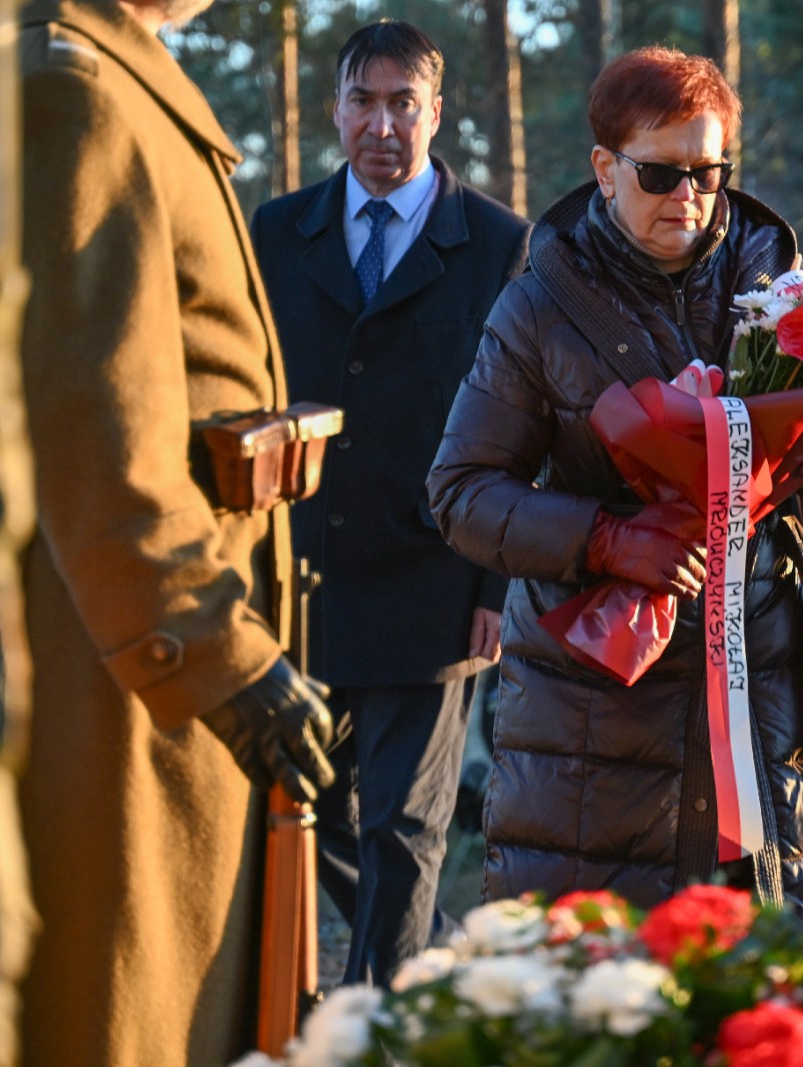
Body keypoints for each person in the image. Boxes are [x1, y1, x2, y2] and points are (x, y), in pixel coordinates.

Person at [427, 47, 803, 913]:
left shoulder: (790, 291)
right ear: (605, 169)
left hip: (768, 703)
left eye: (708, 173)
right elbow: (460, 492)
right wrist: (606, 538)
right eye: (659, 173)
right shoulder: (537, 308)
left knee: (772, 975)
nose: (687, 195)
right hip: (593, 721)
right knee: (607, 982)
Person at [16, 1, 335, 1063]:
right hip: (125, 679)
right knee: (121, 1012)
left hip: (148, 661)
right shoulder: (75, 92)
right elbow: (95, 429)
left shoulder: (113, 79)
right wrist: (213, 652)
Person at [249, 21, 530, 985]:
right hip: (302, 582)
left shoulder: (499, 244)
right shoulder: (276, 233)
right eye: (363, 101)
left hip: (435, 582)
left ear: (435, 112)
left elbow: (526, 426)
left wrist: (496, 584)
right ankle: (427, 956)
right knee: (312, 810)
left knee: (405, 825)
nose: (381, 124)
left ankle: (378, 1023)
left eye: (402, 103)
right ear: (334, 110)